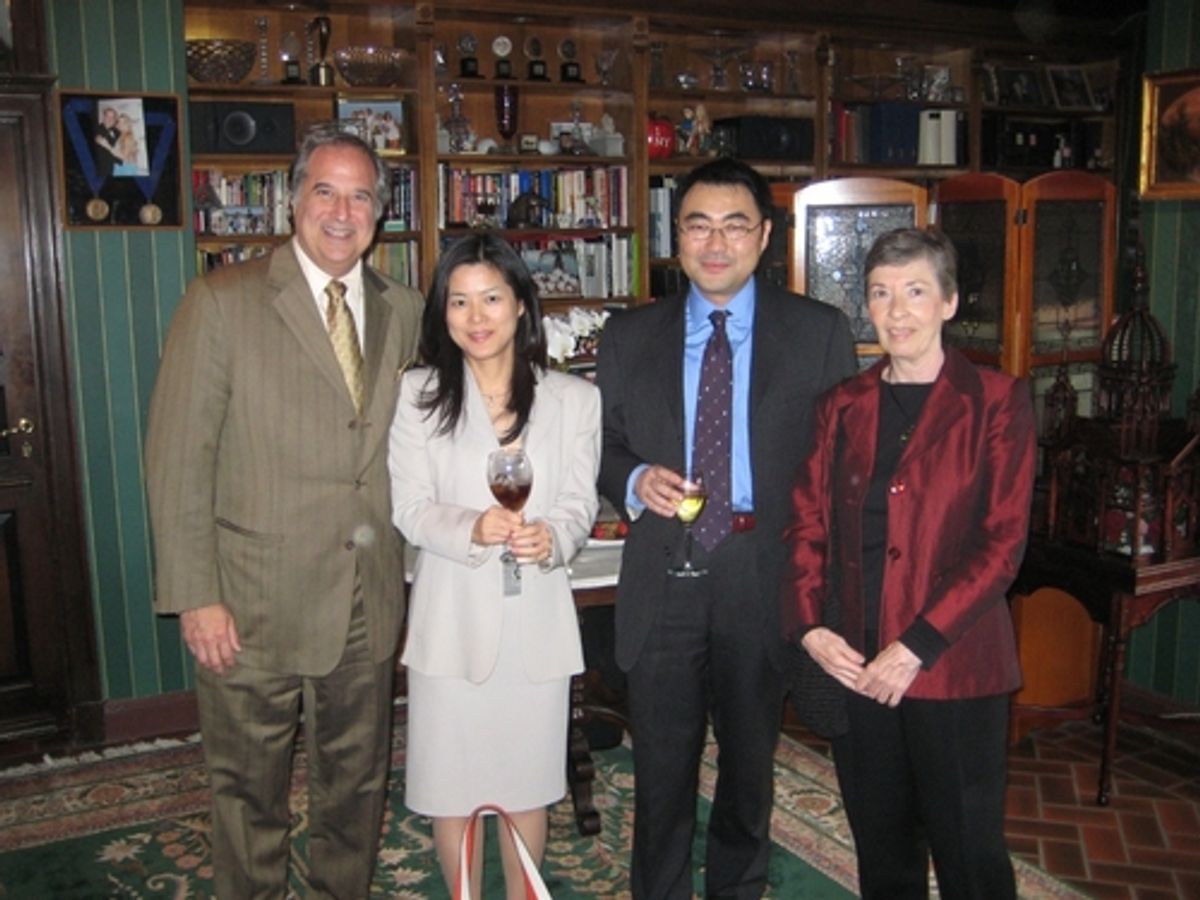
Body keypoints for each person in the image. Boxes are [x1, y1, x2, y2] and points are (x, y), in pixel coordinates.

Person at [144, 125, 423, 898]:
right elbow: (177, 461)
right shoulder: (221, 301)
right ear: (293, 200)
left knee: (357, 787)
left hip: (367, 594)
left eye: (361, 195)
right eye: (324, 191)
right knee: (247, 795)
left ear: (381, 211)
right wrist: (196, 595)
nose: (342, 211)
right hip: (249, 602)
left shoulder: (406, 309)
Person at [596, 156, 856, 899]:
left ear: (765, 236)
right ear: (674, 235)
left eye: (734, 224)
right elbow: (602, 447)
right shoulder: (628, 334)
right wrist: (633, 479)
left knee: (749, 771)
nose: (716, 242)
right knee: (661, 776)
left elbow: (839, 470)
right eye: (697, 224)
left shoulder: (818, 333)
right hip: (664, 572)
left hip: (761, 575)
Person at [783, 227, 1036, 900]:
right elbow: (807, 525)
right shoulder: (840, 406)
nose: (896, 312)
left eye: (915, 292)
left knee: (969, 853)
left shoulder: (998, 402)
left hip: (953, 665)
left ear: (949, 302)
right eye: (881, 293)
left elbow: (1002, 544)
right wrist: (810, 627)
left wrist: (917, 644)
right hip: (859, 665)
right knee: (883, 851)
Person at [389, 232, 600, 899]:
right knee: (451, 791)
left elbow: (577, 505)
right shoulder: (418, 395)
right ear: (441, 313)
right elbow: (410, 508)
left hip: (534, 620)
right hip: (451, 619)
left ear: (521, 307)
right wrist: (472, 528)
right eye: (458, 302)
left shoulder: (572, 398)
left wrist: (554, 539)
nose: (475, 317)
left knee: (526, 788)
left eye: (490, 298)